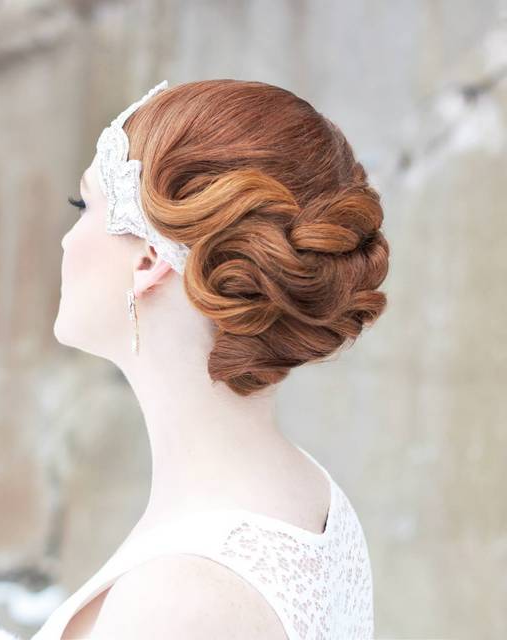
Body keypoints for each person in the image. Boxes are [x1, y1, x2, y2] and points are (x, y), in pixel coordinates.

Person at [41, 79, 387, 639]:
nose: (64, 241)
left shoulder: (180, 601)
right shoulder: (310, 494)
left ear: (149, 259)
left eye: (84, 205)